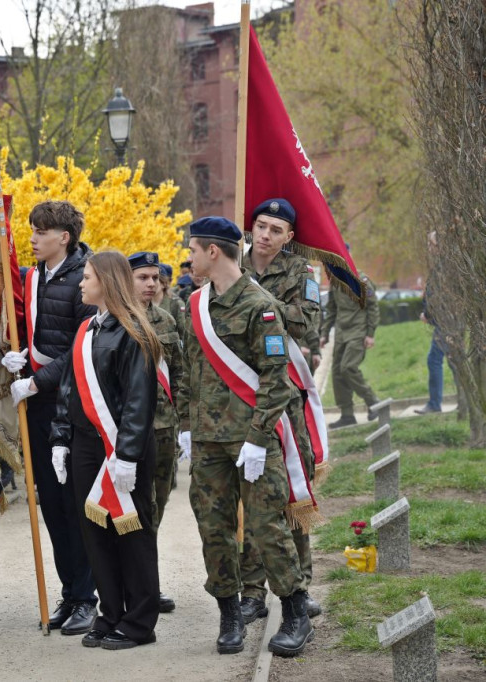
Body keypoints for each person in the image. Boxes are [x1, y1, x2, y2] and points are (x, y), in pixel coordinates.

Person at [181, 216, 313, 658]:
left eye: (194, 250)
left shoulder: (260, 305)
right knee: (214, 531)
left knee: (266, 528)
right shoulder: (195, 305)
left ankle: (295, 612)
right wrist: (187, 428)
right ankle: (229, 614)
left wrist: (258, 439)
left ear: (213, 252)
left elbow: (277, 381)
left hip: (250, 442)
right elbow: (188, 373)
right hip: (208, 444)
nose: (190, 257)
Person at [51, 251, 163, 651]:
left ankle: (139, 622)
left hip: (121, 449)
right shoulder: (86, 330)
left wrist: (128, 455)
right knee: (95, 532)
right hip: (85, 445)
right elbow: (68, 391)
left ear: (108, 281)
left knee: (131, 532)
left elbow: (138, 401)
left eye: (87, 276)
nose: (81, 283)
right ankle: (111, 612)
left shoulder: (134, 331)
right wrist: (60, 439)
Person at [2, 200, 98, 635]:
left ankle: (89, 596)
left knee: (75, 506)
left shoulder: (85, 278)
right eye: (31, 230)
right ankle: (71, 592)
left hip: (73, 408)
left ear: (64, 236)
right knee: (53, 508)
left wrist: (38, 380)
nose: (33, 238)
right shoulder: (32, 276)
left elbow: (81, 347)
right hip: (40, 407)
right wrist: (15, 359)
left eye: (41, 232)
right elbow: (34, 333)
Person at [239, 198, 324, 623]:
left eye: (276, 229)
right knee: (245, 491)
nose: (266, 235)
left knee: (294, 486)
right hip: (235, 390)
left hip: (284, 393)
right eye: (260, 226)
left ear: (289, 236)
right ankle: (251, 591)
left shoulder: (300, 272)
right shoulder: (227, 262)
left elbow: (308, 326)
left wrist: (255, 295)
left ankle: (300, 586)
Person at [128, 252, 183, 614]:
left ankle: (150, 585)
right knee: (128, 511)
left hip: (163, 431)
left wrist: (184, 426)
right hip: (127, 433)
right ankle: (126, 585)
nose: (151, 284)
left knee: (155, 510)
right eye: (143, 277)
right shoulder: (116, 321)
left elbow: (178, 374)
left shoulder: (165, 321)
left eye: (155, 278)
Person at [320, 256, 380, 428]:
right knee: (337, 373)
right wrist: (324, 333)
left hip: (358, 331)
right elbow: (331, 308)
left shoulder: (361, 280)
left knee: (348, 367)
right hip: (341, 332)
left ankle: (373, 401)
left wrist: (370, 333)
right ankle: (347, 414)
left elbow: (373, 306)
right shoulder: (335, 281)